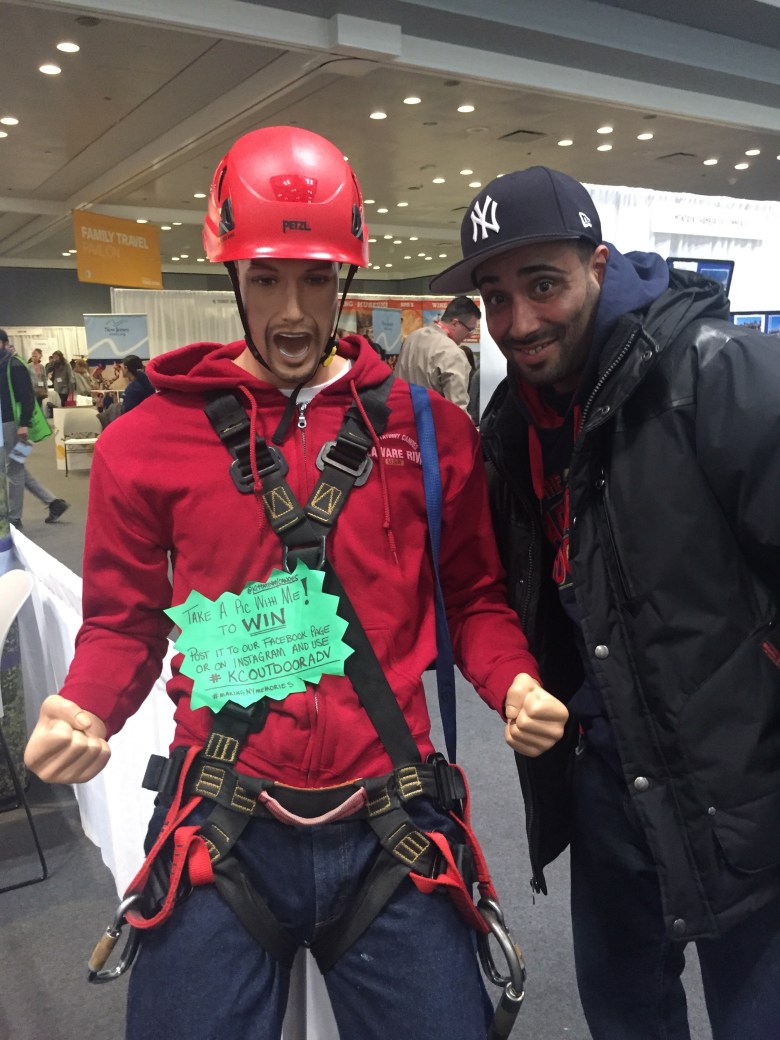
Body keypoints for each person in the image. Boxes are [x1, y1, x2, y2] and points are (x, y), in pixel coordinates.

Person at [23, 128, 566, 1040]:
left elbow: (472, 596)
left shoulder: (430, 433)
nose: (290, 311)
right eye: (266, 277)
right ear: (231, 274)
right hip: (221, 812)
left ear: (345, 279)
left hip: (391, 811)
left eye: (316, 279)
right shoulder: (144, 443)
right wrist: (87, 705)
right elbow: (124, 621)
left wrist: (512, 679)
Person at [430, 165, 780, 1040]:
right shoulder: (514, 423)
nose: (519, 322)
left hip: (743, 784)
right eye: (495, 298)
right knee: (625, 1014)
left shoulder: (716, 373)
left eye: (543, 285)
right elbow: (500, 593)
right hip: (604, 782)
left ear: (598, 264)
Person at [0, 330, 69, 527]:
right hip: (5, 424)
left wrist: (24, 424)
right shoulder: (3, 364)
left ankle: (14, 518)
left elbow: (27, 397)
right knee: (15, 467)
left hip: (16, 425)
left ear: (3, 343)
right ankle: (53, 502)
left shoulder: (15, 364)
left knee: (14, 469)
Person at [393, 295, 480, 414]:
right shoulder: (453, 353)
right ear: (455, 323)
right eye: (470, 329)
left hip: (400, 416)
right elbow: (457, 410)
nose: (470, 335)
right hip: (431, 422)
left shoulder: (411, 338)